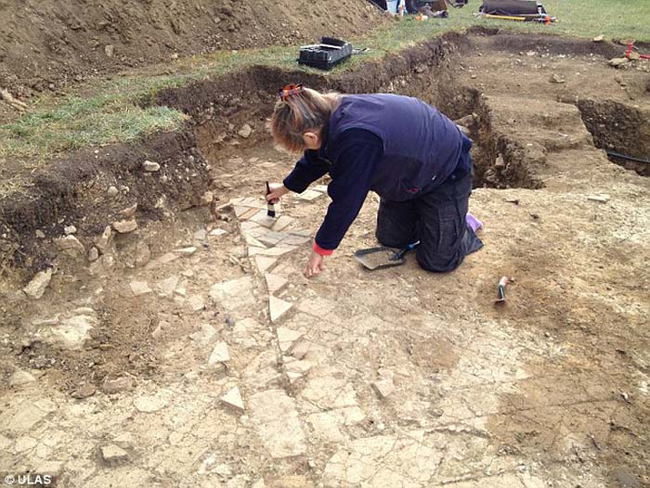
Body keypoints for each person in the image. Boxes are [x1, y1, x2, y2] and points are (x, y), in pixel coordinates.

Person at [266, 84, 483, 279]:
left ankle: (461, 226)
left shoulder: (356, 138)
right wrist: (284, 188)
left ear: (311, 136)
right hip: (408, 174)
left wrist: (321, 249)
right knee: (390, 240)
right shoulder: (327, 116)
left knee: (437, 261)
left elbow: (346, 200)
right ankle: (432, 218)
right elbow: (316, 160)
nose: (306, 150)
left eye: (303, 145)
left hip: (445, 170)